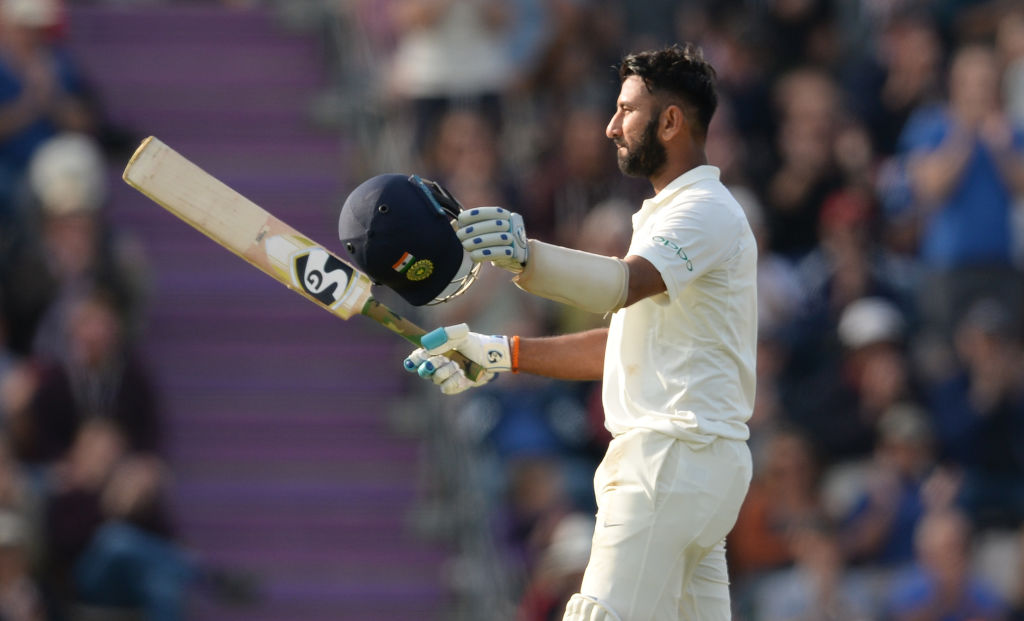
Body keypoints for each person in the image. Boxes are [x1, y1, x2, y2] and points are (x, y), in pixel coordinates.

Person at [401, 43, 758, 621]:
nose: (612, 127)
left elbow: (623, 284)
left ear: (670, 121)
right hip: (697, 467)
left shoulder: (702, 209)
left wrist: (527, 256)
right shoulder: (677, 213)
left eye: (626, 110)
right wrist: (498, 353)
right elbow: (623, 345)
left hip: (668, 458)